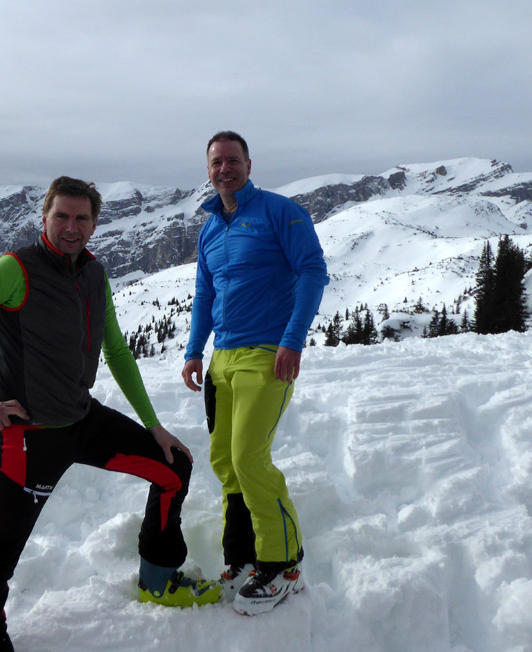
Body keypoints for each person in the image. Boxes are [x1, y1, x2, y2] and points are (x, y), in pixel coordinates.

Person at [0, 176, 219, 652]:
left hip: (82, 421)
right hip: (28, 436)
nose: (71, 226)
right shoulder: (16, 269)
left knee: (174, 466)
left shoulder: (93, 274)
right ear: (44, 217)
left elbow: (117, 351)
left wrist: (154, 426)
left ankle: (159, 579)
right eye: (61, 215)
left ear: (94, 224)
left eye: (82, 218)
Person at [181, 131, 328, 616]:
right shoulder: (210, 229)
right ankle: (243, 559)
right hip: (222, 359)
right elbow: (205, 294)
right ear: (208, 170)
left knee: (249, 458)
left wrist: (293, 339)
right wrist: (194, 351)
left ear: (249, 164)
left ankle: (283, 565)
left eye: (232, 160)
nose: (224, 168)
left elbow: (312, 271)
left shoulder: (280, 212)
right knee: (226, 462)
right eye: (216, 162)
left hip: (267, 354)